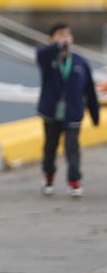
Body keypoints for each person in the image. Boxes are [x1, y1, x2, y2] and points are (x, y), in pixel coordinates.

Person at [36, 22, 99, 198]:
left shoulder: (79, 61)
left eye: (68, 34)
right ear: (51, 39)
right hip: (51, 113)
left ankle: (74, 180)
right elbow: (40, 54)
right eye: (60, 34)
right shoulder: (47, 59)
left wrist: (95, 116)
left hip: (72, 113)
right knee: (50, 147)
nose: (65, 38)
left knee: (72, 147)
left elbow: (90, 91)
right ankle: (48, 177)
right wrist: (56, 47)